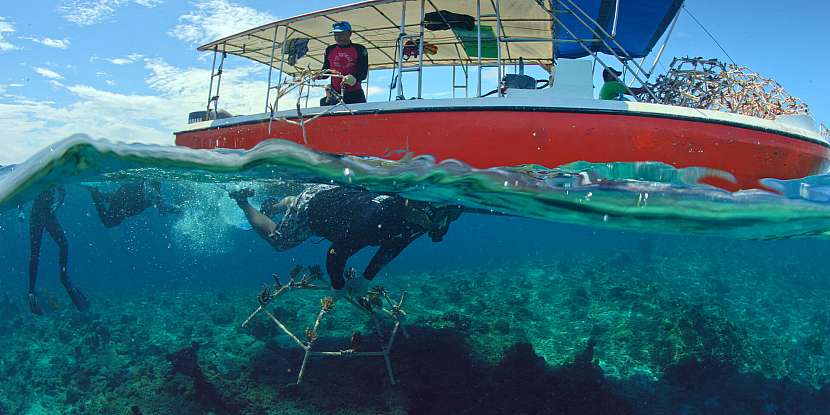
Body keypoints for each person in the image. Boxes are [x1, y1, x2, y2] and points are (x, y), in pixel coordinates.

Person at [230, 184, 462, 299]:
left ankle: (281, 203)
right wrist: (338, 286)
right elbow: (335, 253)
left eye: (446, 215)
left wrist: (365, 279)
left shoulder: (418, 221)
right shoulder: (376, 218)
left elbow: (394, 247)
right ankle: (244, 202)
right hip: (313, 210)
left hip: (333, 196)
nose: (432, 220)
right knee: (280, 242)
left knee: (301, 203)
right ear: (412, 203)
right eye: (428, 210)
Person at [27, 186, 89, 315]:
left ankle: (63, 276)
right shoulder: (39, 174)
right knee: (35, 253)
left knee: (63, 244)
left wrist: (58, 203)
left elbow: (62, 190)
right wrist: (21, 211)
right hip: (37, 214)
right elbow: (22, 192)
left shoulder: (51, 173)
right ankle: (32, 290)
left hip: (48, 214)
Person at [88, 181, 182, 228]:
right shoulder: (152, 195)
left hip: (131, 193)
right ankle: (96, 193)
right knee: (108, 222)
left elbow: (162, 204)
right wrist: (179, 210)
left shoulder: (151, 194)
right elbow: (162, 204)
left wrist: (174, 209)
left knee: (119, 203)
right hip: (131, 194)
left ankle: (98, 194)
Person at [319, 21, 369, 106]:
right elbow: (326, 72)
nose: (338, 37)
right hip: (334, 95)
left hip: (355, 94)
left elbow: (363, 73)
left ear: (350, 33)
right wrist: (319, 75)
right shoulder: (330, 50)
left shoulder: (360, 49)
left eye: (341, 34)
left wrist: (354, 78)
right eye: (336, 34)